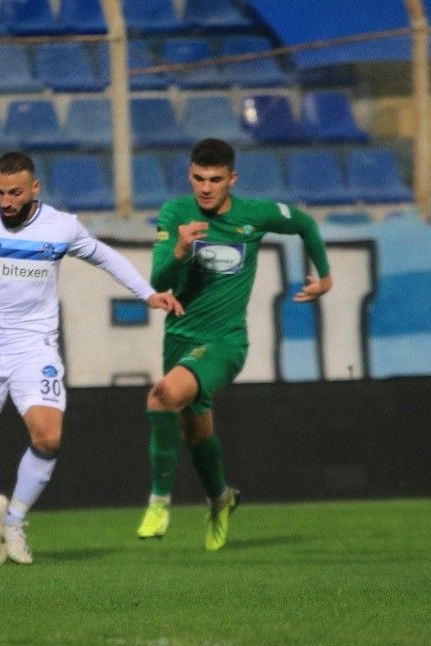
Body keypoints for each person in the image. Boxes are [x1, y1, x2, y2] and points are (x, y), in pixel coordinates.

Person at [0, 151, 183, 566]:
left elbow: (104, 256)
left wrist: (148, 294)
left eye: (15, 193)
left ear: (34, 188)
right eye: (0, 192)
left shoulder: (60, 227)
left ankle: (14, 522)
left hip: (34, 347)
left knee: (48, 436)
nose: (6, 201)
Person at [137, 138, 333, 551]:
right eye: (199, 179)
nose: (206, 188)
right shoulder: (175, 214)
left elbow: (304, 224)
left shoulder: (254, 214)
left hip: (225, 342)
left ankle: (158, 503)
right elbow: (158, 282)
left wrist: (325, 275)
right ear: (190, 175)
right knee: (196, 433)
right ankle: (220, 499)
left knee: (161, 397)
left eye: (215, 180)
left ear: (232, 179)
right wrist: (179, 249)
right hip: (179, 340)